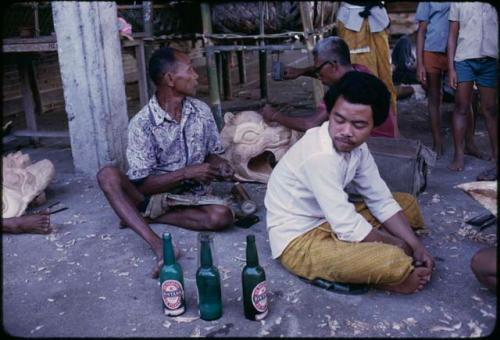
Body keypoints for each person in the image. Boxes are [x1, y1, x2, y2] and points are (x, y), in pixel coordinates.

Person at [265, 71, 434, 294]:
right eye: (339, 120)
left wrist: (415, 246)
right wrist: (399, 246)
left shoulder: (358, 148)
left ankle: (367, 263)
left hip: (328, 218)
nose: (346, 132)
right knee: (392, 259)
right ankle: (390, 276)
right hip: (298, 240)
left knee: (406, 204)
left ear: (374, 124)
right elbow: (346, 224)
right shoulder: (319, 154)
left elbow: (379, 198)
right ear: (330, 113)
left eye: (358, 125)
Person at [97, 47, 234, 278]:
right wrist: (186, 173)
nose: (196, 76)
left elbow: (212, 153)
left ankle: (138, 216)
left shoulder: (200, 111)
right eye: (190, 70)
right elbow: (141, 185)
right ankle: (158, 245)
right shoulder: (142, 123)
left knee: (222, 217)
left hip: (192, 196)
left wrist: (219, 164)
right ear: (170, 79)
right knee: (107, 175)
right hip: (152, 196)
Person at [261, 36, 397, 138]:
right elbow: (326, 72)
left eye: (318, 69)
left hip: (376, 146)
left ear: (333, 65)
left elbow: (310, 124)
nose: (318, 76)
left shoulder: (342, 92)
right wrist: (300, 72)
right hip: (390, 138)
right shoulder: (359, 70)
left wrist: (274, 115)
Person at [415, 2, 483, 159]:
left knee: (465, 98)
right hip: (432, 50)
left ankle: (470, 143)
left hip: (459, 50)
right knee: (434, 96)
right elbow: (421, 30)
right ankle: (437, 142)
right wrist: (420, 63)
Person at [335, 1, 399, 136]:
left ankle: (390, 129)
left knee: (384, 79)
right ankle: (358, 131)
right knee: (358, 81)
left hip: (376, 20)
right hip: (352, 22)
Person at [447, 2, 498, 171]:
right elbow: (452, 36)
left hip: (490, 60)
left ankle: (496, 154)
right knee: (461, 106)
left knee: (490, 109)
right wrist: (451, 68)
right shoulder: (458, 3)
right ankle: (459, 155)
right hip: (464, 59)